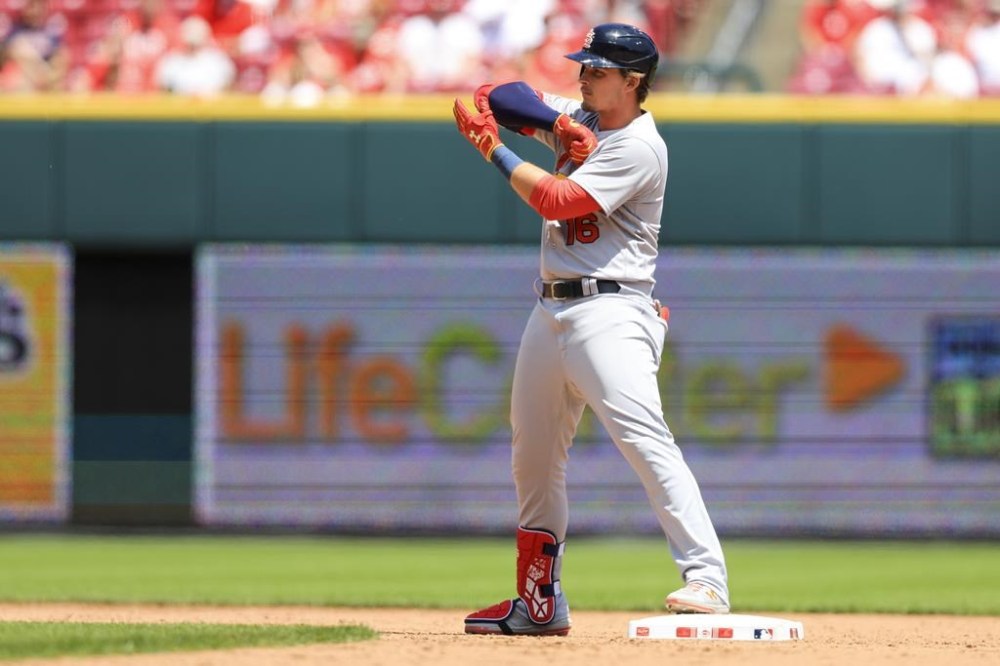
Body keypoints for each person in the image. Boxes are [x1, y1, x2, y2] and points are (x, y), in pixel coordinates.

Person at [452, 22, 730, 637]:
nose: (584, 75)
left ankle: (707, 577)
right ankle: (539, 601)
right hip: (549, 307)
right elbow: (491, 94)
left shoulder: (639, 144)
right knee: (533, 455)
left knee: (643, 439)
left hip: (612, 309)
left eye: (598, 69)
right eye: (584, 65)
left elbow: (556, 199)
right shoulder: (585, 113)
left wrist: (495, 150)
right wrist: (555, 123)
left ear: (633, 81)